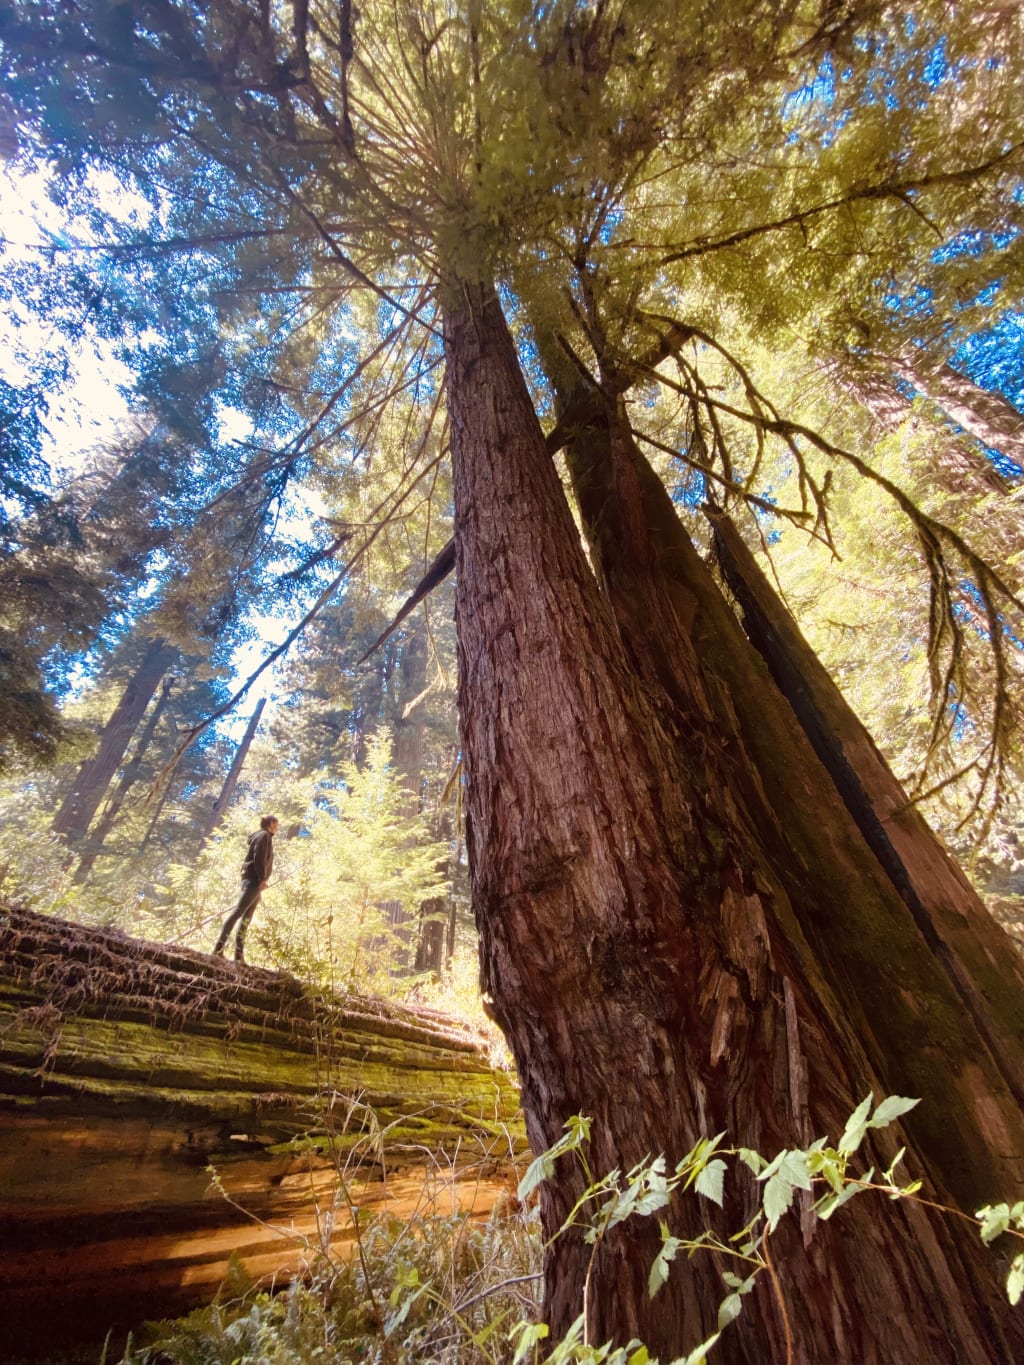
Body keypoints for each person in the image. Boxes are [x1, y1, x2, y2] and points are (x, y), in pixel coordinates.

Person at [212, 815, 279, 963]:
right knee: (239, 912)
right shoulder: (264, 836)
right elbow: (259, 857)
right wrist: (262, 878)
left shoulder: (263, 837)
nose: (278, 827)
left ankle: (238, 955)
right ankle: (218, 949)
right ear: (272, 823)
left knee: (247, 917)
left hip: (254, 881)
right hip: (254, 880)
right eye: (277, 824)